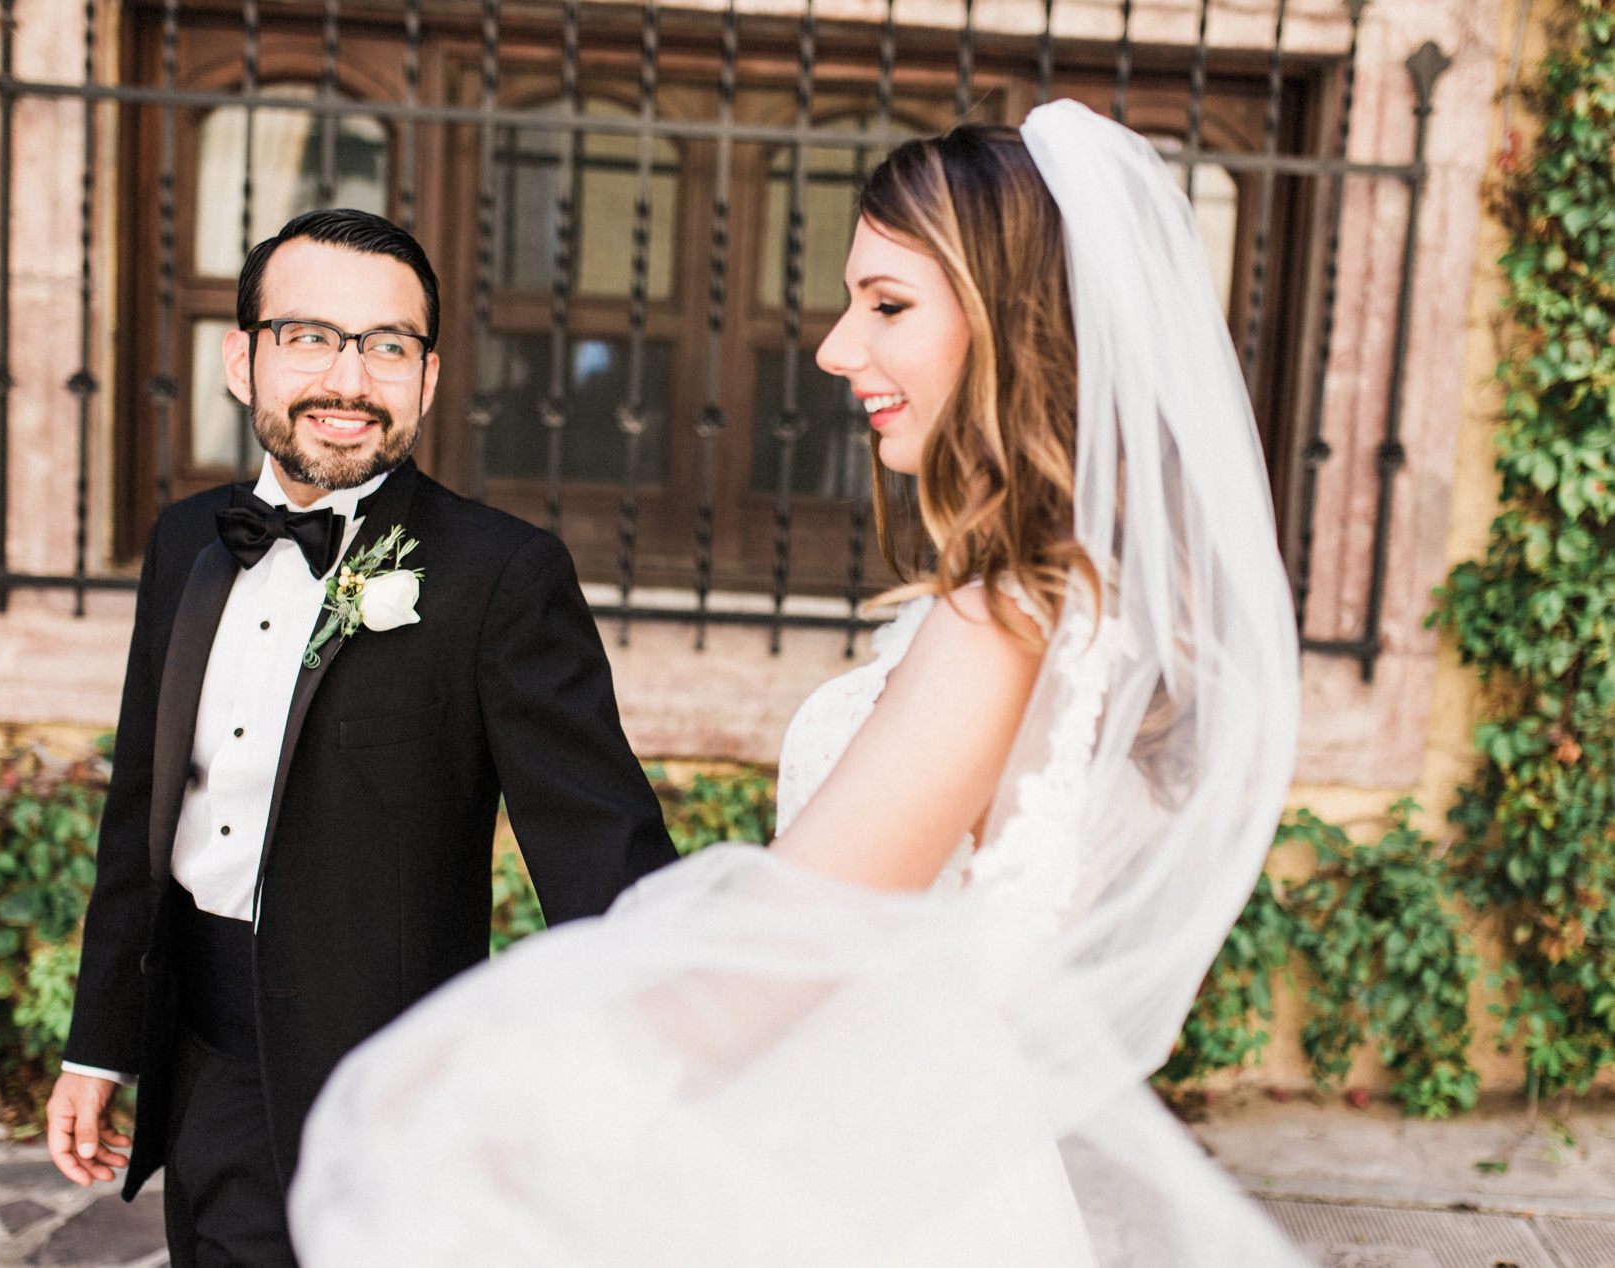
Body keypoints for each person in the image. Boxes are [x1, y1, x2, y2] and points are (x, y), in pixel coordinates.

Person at [289, 102, 1311, 1266]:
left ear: (1015, 325)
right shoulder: (1094, 609)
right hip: (942, 1165)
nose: (833, 347)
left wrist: (510, 1099)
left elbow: (793, 941)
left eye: (887, 305)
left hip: (877, 1199)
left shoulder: (1002, 616)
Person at [45, 208, 679, 1267]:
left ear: (427, 379)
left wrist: (657, 1071)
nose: (350, 378)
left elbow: (597, 851)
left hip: (375, 1090)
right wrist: (100, 1042)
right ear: (240, 359)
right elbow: (143, 811)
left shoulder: (498, 576)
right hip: (194, 1058)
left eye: (388, 345)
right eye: (309, 337)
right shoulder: (185, 542)